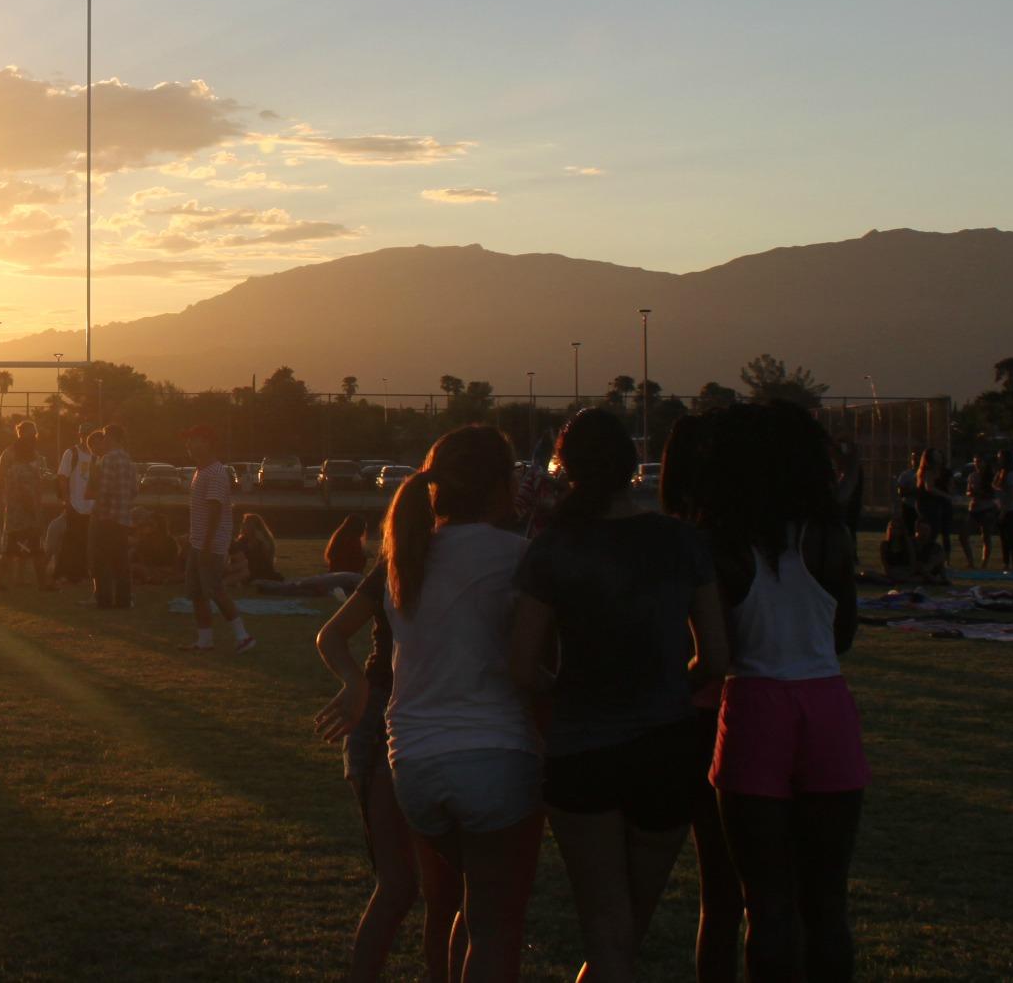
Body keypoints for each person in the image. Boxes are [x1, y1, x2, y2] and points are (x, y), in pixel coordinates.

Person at [510, 408, 729, 983]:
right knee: (628, 927)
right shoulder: (681, 541)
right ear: (631, 467)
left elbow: (521, 662)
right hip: (668, 747)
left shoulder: (554, 547)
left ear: (567, 467)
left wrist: (559, 688)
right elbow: (716, 658)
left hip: (583, 749)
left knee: (609, 933)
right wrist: (673, 682)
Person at [690, 402, 867, 983]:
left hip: (754, 706)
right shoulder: (830, 535)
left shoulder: (720, 543)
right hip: (826, 705)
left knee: (765, 906)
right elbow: (842, 636)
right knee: (825, 906)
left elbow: (714, 652)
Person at [371, 426, 542, 982]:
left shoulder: (409, 556)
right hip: (494, 756)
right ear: (500, 486)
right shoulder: (518, 556)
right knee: (495, 928)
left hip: (413, 764)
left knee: (463, 904)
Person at [311, 496, 460, 982]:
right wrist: (357, 685)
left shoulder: (421, 564)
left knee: (427, 892)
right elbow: (331, 635)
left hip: (400, 724)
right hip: (389, 726)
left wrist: (357, 684)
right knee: (413, 890)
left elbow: (332, 636)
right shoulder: (402, 568)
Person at [662, 412, 743, 983]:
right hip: (739, 710)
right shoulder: (743, 543)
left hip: (695, 715)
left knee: (719, 894)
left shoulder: (677, 543)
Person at [182, 426, 252, 651]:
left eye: (196, 440)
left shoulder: (215, 472)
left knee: (214, 590)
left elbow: (215, 511)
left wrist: (207, 544)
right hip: (198, 542)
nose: (191, 446)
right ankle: (205, 640)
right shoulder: (200, 471)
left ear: (209, 443)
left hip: (209, 545)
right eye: (189, 441)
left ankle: (243, 637)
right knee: (197, 592)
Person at [0, 421, 52, 592]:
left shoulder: (36, 456)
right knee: (10, 546)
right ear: (21, 434)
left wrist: (39, 504)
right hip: (14, 510)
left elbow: (40, 482)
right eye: (31, 434)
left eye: (35, 434)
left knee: (35, 546)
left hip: (32, 509)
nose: (34, 437)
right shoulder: (8, 454)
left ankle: (38, 582)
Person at [258, 513, 372, 597]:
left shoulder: (340, 538)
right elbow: (354, 568)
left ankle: (271, 587)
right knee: (305, 586)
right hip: (343, 579)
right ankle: (271, 587)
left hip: (334, 576)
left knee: (304, 585)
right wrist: (364, 556)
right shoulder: (352, 542)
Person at [86, 427, 138, 609]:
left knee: (101, 561)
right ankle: (124, 600)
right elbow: (134, 490)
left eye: (106, 436)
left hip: (106, 517)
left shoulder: (108, 459)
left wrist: (98, 512)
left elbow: (104, 490)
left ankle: (104, 599)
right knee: (121, 561)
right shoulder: (127, 459)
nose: (104, 440)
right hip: (123, 517)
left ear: (112, 438)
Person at [53, 422, 99, 586]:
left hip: (91, 507)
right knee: (71, 540)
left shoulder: (96, 456)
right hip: (75, 504)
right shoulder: (71, 453)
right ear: (80, 435)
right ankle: (64, 573)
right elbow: (62, 477)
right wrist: (67, 500)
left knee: (86, 541)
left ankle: (81, 574)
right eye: (84, 434)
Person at [228, 512, 283, 586]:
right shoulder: (243, 540)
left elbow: (268, 558)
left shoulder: (263, 540)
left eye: (246, 523)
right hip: (248, 570)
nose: (243, 526)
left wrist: (261, 542)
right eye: (243, 523)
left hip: (262, 570)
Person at [993, 450, 1013, 575]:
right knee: (1003, 538)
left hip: (1010, 510)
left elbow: (1011, 494)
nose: (998, 459)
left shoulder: (1011, 474)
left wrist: (1003, 511)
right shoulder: (1001, 472)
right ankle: (1005, 563)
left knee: (1011, 538)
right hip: (1001, 508)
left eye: (1000, 457)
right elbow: (994, 485)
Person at [962, 453, 994, 569]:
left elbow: (993, 494)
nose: (977, 464)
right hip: (974, 508)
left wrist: (982, 494)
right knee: (964, 536)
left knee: (985, 536)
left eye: (979, 462)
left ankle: (984, 563)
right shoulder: (972, 476)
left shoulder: (990, 477)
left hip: (986, 508)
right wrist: (971, 493)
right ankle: (970, 561)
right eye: (975, 462)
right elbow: (968, 491)